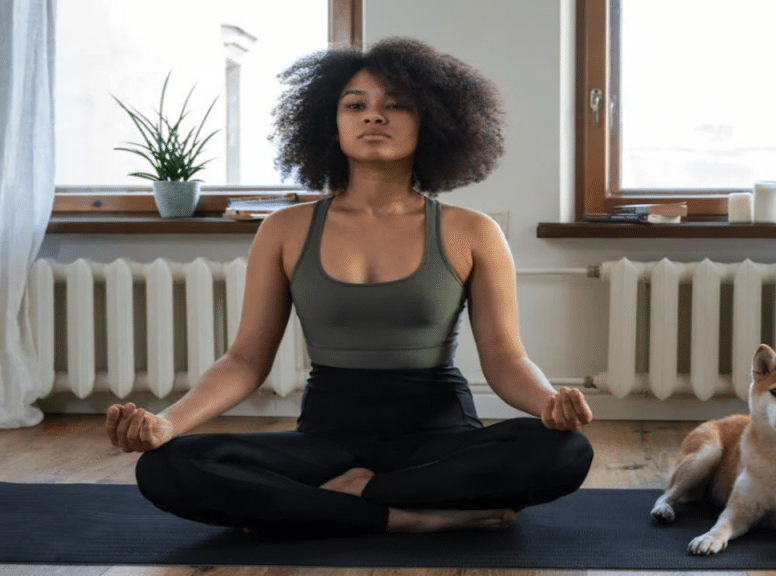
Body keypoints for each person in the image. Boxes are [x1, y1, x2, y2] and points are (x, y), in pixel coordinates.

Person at [104, 37, 594, 537]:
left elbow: (506, 359)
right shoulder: (283, 230)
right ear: (330, 124)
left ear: (431, 122)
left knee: (566, 450)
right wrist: (167, 423)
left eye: (395, 105)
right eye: (355, 105)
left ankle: (346, 500)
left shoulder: (472, 231)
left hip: (439, 439)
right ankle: (403, 514)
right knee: (168, 466)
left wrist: (548, 405)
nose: (373, 115)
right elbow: (245, 360)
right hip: (325, 443)